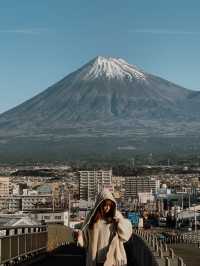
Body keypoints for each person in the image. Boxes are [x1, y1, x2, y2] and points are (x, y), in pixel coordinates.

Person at [73, 190, 132, 266]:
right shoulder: (92, 217)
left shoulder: (115, 216)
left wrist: (119, 223)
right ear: (99, 204)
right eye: (105, 205)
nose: (108, 208)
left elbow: (125, 235)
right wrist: (78, 235)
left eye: (110, 205)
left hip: (112, 259)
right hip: (95, 260)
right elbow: (85, 240)